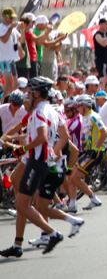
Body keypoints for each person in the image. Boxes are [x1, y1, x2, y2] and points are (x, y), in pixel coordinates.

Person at [0, 76, 65, 258]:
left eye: (29, 93)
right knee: (16, 185)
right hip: (37, 158)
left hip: (36, 159)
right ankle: (18, 243)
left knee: (22, 203)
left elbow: (42, 137)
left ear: (37, 94)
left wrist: (21, 149)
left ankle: (52, 233)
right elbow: (63, 134)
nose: (26, 96)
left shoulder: (38, 112)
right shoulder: (47, 110)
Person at [0, 7, 20, 94]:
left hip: (11, 59)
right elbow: (4, 40)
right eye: (10, 17)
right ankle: (3, 102)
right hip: (4, 60)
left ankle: (6, 101)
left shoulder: (12, 28)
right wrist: (11, 28)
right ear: (4, 17)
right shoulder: (2, 28)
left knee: (14, 85)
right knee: (9, 85)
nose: (12, 19)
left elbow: (21, 40)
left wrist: (22, 30)